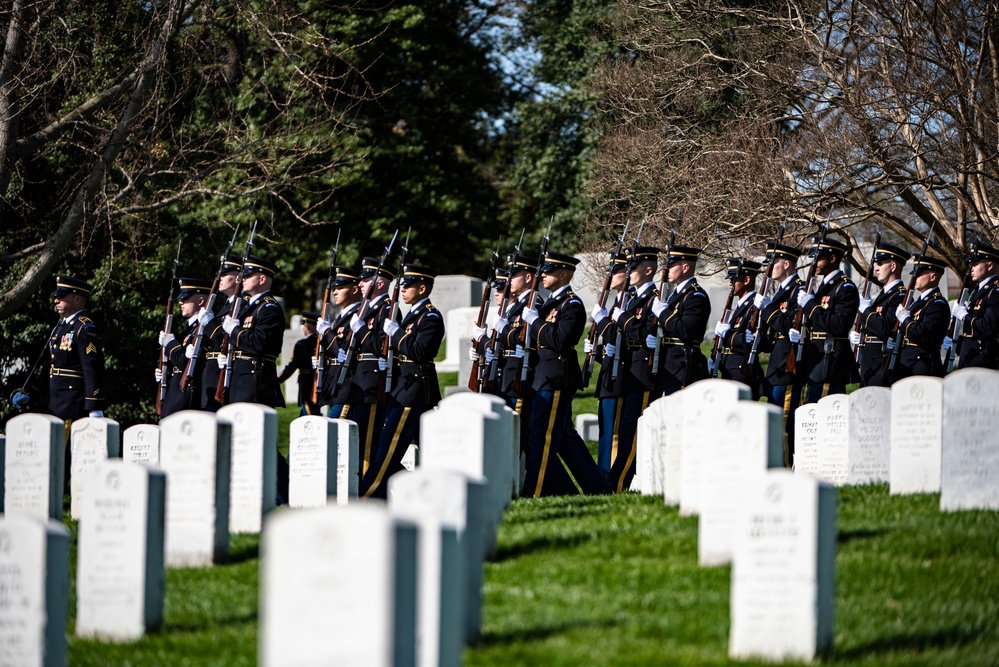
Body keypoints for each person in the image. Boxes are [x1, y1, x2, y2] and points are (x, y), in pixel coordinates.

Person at [521, 250, 611, 497]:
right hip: (542, 375)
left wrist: (535, 322)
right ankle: (597, 488)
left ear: (563, 274)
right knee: (564, 439)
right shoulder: (549, 302)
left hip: (556, 377)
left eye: (549, 272)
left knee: (543, 437)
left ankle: (534, 491)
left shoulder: (571, 304)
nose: (543, 275)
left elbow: (560, 340)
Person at [361, 264, 445, 498]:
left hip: (413, 392)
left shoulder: (430, 316)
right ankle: (430, 491)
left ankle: (367, 494)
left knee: (388, 449)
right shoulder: (412, 315)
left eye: (407, 286)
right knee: (426, 451)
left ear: (422, 288)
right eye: (402, 285)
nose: (402, 289)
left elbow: (419, 351)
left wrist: (396, 333)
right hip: (402, 388)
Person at [589, 246, 660, 491]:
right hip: (619, 370)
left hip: (638, 372)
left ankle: (615, 484)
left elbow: (643, 334)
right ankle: (608, 481)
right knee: (612, 433)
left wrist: (606, 322)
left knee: (628, 433)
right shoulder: (628, 300)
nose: (627, 273)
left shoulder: (653, 299)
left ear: (648, 270)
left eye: (632, 267)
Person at [220, 254, 289, 502]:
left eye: (248, 276)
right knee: (246, 441)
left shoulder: (269, 308)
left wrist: (235, 331)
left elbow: (259, 343)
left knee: (261, 443)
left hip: (255, 381)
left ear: (262, 278)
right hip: (240, 378)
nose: (243, 279)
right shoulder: (248, 305)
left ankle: (285, 494)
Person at [793, 235, 860, 404]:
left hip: (831, 362)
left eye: (819, 258)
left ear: (832, 258)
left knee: (825, 412)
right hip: (817, 360)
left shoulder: (845, 288)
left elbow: (839, 325)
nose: (814, 263)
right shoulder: (824, 287)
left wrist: (810, 306)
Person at [344, 257, 395, 477]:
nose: (360, 285)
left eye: (365, 281)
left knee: (368, 443)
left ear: (380, 284)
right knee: (356, 437)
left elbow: (380, 345)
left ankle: (368, 489)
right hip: (357, 383)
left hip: (373, 382)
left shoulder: (388, 310)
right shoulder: (365, 309)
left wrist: (362, 329)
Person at [755, 242, 804, 466]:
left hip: (788, 366)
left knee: (783, 426)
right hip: (776, 366)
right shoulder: (782, 292)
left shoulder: (799, 290)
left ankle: (785, 471)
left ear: (786, 263)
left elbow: (790, 326)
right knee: (774, 425)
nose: (769, 269)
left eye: (772, 264)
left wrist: (767, 309)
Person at [584, 250, 628, 476]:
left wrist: (601, 321)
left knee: (614, 433)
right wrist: (598, 351)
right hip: (609, 375)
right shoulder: (616, 302)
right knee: (605, 430)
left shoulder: (628, 302)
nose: (610, 277)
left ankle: (610, 476)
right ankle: (603, 474)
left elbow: (620, 338)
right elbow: (613, 344)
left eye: (616, 272)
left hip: (620, 376)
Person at [647, 244, 710, 396]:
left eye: (671, 266)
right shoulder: (673, 296)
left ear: (685, 267)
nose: (666, 270)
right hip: (667, 366)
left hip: (683, 366)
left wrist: (662, 312)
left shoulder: (696, 296)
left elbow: (685, 330)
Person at [47, 275, 105, 422]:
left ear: (77, 299)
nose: (56, 300)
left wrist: (94, 406)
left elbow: (92, 369)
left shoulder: (84, 328)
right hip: (54, 404)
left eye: (61, 297)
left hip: (71, 405)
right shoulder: (60, 327)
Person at [852, 242, 910, 387]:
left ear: (893, 266)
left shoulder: (900, 296)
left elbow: (884, 327)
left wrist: (866, 310)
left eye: (880, 263)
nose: (876, 268)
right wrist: (862, 337)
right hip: (870, 367)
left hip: (882, 368)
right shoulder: (884, 295)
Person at [158, 277, 211, 416]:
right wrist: (164, 370)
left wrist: (170, 344)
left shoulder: (204, 330)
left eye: (186, 299)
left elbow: (186, 365)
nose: (181, 302)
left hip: (187, 398)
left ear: (200, 301)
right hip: (174, 395)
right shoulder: (187, 330)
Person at [891, 254, 950, 380]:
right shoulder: (917, 302)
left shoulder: (937, 304)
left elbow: (923, 334)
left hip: (922, 365)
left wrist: (905, 319)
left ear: (933, 276)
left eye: (919, 274)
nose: (914, 277)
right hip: (907, 363)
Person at [315, 266, 363, 419]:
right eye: (335, 288)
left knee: (336, 431)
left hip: (347, 386)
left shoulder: (357, 316)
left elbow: (343, 352)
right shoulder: (341, 317)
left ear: (355, 290)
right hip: (333, 384)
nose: (335, 292)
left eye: (341, 288)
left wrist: (327, 332)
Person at [713, 258, 764, 398]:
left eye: (734, 280)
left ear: (747, 280)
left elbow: (750, 340)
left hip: (742, 371)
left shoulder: (754, 306)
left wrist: (727, 334)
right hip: (730, 368)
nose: (730, 284)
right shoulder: (742, 305)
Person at [199, 252, 243, 411]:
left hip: (224, 377)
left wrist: (210, 324)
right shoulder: (225, 306)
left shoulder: (241, 306)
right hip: (212, 377)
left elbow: (224, 339)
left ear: (238, 277)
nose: (220, 278)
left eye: (225, 274)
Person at [951, 241, 999, 370]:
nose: (971, 268)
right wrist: (957, 342)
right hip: (971, 357)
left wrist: (964, 316)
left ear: (989, 265)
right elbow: (973, 333)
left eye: (976, 264)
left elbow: (988, 328)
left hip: (985, 360)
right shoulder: (977, 292)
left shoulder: (995, 292)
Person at [277, 311, 320, 415]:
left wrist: (277, 379)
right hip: (322, 384)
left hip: (307, 385)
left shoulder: (302, 345)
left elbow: (292, 366)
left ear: (307, 326)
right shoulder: (324, 343)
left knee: (309, 415)